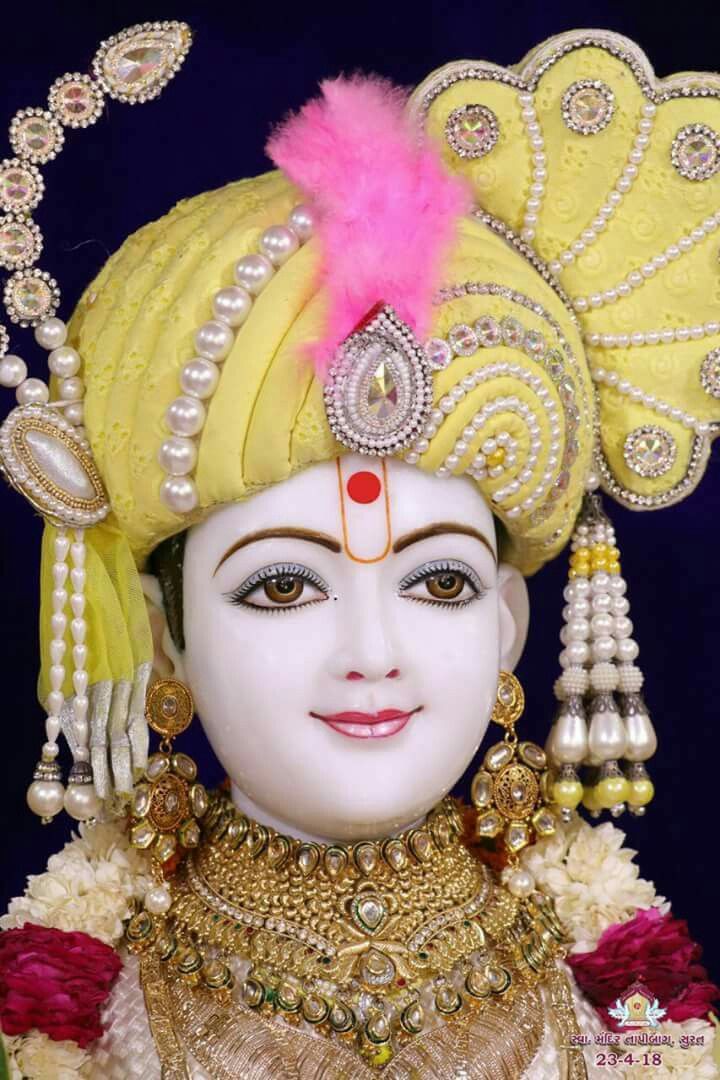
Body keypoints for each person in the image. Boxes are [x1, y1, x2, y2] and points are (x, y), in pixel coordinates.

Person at [0, 21, 718, 1079]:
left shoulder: (623, 991)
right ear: (167, 640)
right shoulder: (78, 995)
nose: (373, 650)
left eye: (438, 580)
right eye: (285, 585)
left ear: (509, 625)